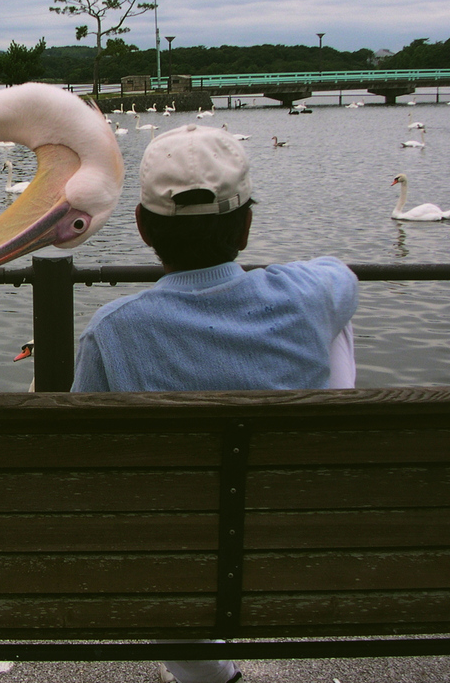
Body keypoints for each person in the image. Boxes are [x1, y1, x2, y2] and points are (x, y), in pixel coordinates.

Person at [72, 123, 359, 683]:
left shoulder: (113, 330)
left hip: (178, 561)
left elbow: (90, 458)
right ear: (248, 224)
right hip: (302, 543)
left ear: (142, 229)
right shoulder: (310, 296)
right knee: (333, 329)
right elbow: (340, 274)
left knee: (156, 523)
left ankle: (205, 672)